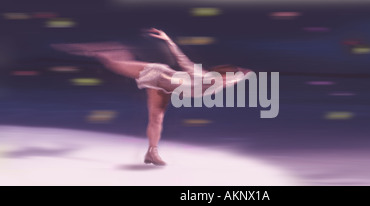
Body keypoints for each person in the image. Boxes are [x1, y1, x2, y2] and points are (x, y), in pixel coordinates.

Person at [52, 28, 252, 166]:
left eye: (232, 79)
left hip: (165, 89)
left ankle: (152, 152)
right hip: (156, 73)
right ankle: (94, 50)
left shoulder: (222, 84)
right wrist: (169, 41)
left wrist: (243, 73)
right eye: (230, 77)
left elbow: (243, 74)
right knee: (114, 61)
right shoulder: (206, 77)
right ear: (223, 76)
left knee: (157, 118)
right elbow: (184, 62)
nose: (231, 81)